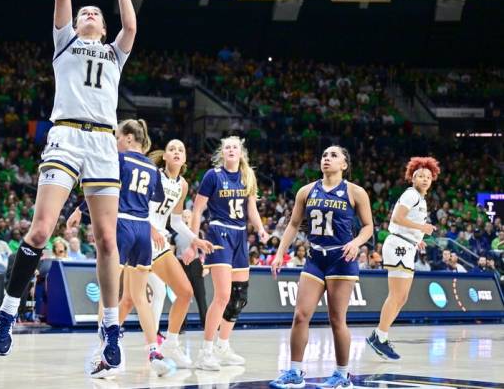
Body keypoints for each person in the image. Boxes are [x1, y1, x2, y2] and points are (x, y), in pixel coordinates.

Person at [0, 0, 136, 380]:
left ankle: (111, 328)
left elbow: (131, 23)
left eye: (96, 13)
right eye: (84, 11)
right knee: (40, 229)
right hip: (67, 135)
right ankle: (8, 312)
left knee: (108, 241)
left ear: (103, 26)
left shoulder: (115, 52)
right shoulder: (65, 43)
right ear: (74, 24)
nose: (89, 13)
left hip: (103, 143)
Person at [67, 119, 172, 377]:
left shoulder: (121, 160)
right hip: (143, 230)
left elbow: (104, 192)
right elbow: (153, 200)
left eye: (116, 138)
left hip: (122, 225)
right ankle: (154, 353)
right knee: (140, 298)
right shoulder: (152, 167)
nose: (114, 143)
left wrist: (81, 210)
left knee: (108, 294)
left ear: (127, 138)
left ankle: (105, 353)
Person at [270, 146, 374, 389]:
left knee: (337, 319)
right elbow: (294, 224)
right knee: (300, 315)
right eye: (325, 155)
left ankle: (342, 375)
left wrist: (356, 242)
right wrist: (279, 254)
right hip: (315, 258)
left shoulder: (355, 192)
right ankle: (295, 371)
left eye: (334, 156)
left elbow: (368, 226)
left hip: (341, 259)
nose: (327, 158)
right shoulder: (307, 191)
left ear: (344, 165)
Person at [190, 136, 269, 371]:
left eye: (235, 147)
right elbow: (197, 209)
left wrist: (262, 230)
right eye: (227, 147)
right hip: (219, 234)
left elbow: (252, 209)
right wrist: (194, 239)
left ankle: (223, 346)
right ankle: (206, 351)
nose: (231, 150)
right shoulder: (213, 175)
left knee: (239, 297)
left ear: (241, 152)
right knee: (222, 295)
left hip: (240, 235)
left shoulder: (247, 177)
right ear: (222, 153)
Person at [140, 139, 212, 369]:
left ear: (184, 157)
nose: (177, 152)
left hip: (160, 241)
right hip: (141, 237)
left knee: (184, 292)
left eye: (181, 149)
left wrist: (195, 239)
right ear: (165, 157)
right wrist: (151, 229)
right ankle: (107, 346)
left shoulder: (182, 185)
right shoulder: (153, 175)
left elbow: (177, 221)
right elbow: (139, 207)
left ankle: (171, 342)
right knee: (129, 298)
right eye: (172, 149)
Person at [368, 157, 440, 360]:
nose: (425, 179)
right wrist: (421, 229)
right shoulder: (411, 195)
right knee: (396, 295)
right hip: (398, 245)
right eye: (420, 176)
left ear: (432, 179)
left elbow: (406, 223)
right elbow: (397, 218)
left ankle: (380, 335)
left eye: (428, 176)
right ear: (412, 178)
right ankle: (379, 337)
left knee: (402, 297)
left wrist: (416, 239)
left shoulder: (420, 198)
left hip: (406, 244)